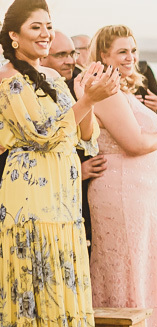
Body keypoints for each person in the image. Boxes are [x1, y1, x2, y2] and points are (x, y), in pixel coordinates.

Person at [0, 0, 119, 327]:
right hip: (30, 201)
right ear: (13, 36)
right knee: (38, 284)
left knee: (64, 282)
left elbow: (86, 134)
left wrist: (90, 96)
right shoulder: (10, 79)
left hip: (64, 202)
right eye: (36, 27)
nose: (46, 33)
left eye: (49, 26)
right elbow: (41, 134)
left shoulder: (51, 76)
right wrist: (84, 100)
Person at [87, 26, 157, 327]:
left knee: (142, 267)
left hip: (139, 197)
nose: (131, 57)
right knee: (126, 269)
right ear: (103, 55)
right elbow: (134, 144)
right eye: (122, 51)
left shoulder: (122, 90)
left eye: (134, 50)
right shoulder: (104, 90)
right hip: (121, 193)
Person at [40, 31, 108, 243]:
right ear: (42, 57)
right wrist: (79, 171)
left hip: (81, 197)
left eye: (72, 53)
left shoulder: (77, 82)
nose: (71, 61)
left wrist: (86, 98)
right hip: (45, 195)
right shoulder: (30, 88)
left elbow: (87, 135)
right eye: (61, 55)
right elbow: (45, 142)